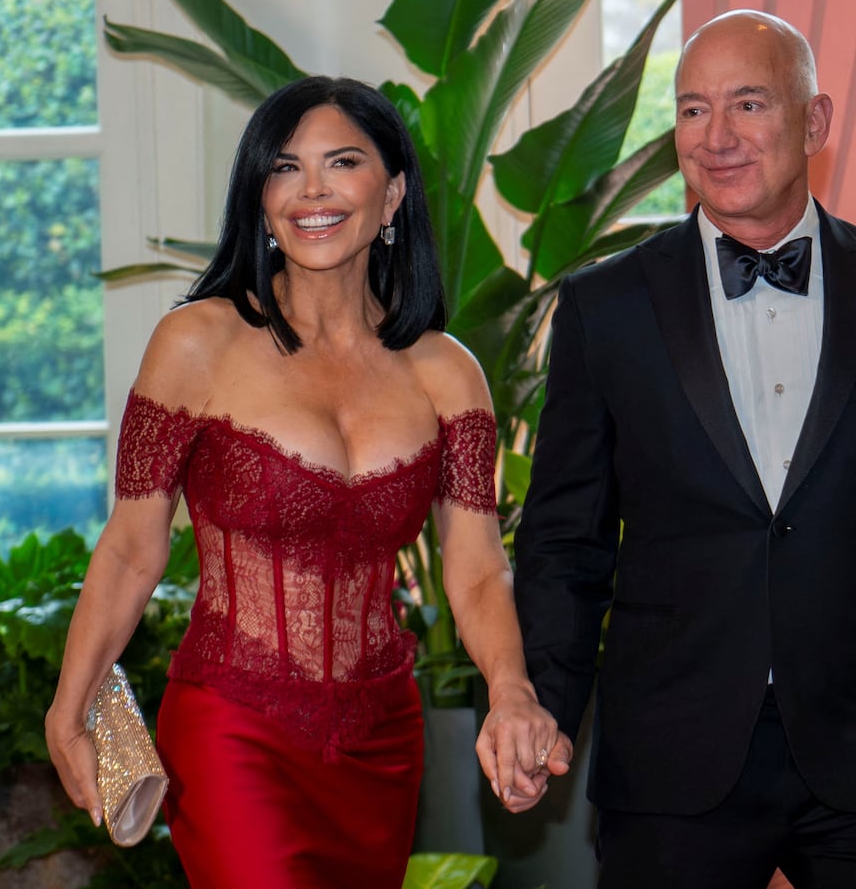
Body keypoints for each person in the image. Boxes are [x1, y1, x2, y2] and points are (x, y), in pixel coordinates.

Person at [512, 10, 856, 888]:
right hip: (672, 761)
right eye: (691, 110)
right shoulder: (606, 308)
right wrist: (545, 709)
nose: (716, 138)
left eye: (748, 104)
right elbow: (568, 543)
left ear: (814, 121)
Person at [45, 76, 558, 888]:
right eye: (285, 167)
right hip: (231, 726)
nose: (312, 190)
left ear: (391, 195)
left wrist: (511, 690)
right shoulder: (197, 343)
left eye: (342, 163)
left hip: (383, 737)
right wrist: (67, 709)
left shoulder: (445, 373)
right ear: (260, 195)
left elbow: (476, 566)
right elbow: (131, 549)